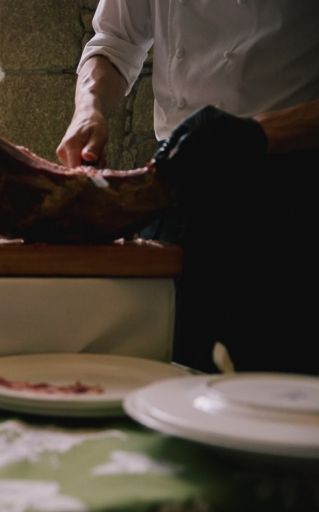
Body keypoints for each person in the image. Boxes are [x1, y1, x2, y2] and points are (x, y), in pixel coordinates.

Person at [56, 1, 319, 374]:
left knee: (283, 376)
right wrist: (89, 107)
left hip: (294, 188)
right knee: (174, 368)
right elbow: (114, 42)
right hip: (181, 179)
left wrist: (254, 133)